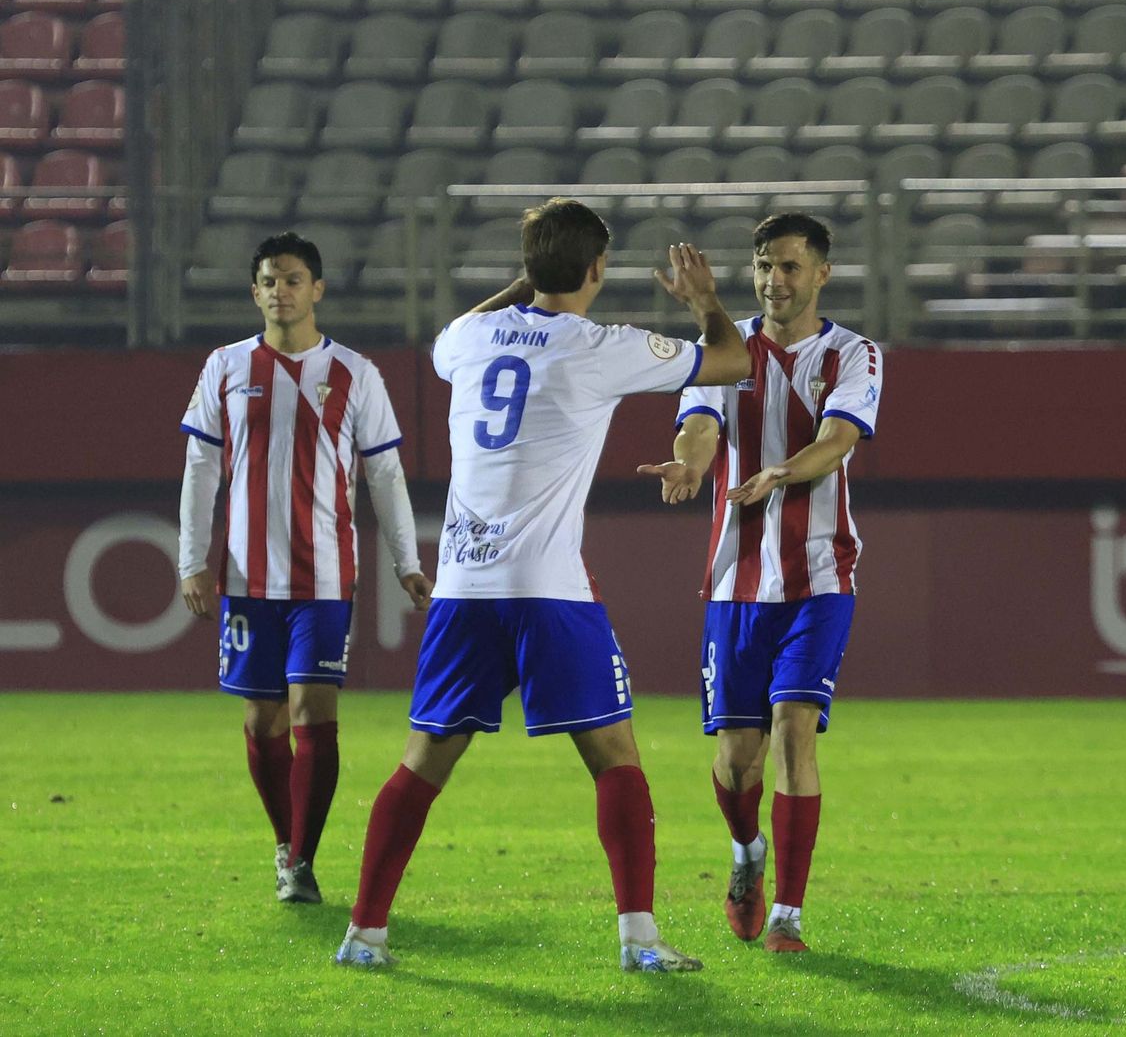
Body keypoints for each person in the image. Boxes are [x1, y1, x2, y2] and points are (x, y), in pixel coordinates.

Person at [333, 198, 751, 973]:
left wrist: (523, 285)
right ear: (598, 270)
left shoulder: (468, 338)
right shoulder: (600, 346)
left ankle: (365, 933)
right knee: (615, 756)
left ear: (527, 268)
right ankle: (639, 941)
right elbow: (733, 362)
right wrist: (705, 304)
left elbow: (448, 334)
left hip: (463, 586)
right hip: (550, 590)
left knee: (423, 761)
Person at [638, 214, 884, 952]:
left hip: (819, 576)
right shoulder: (727, 348)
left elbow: (839, 440)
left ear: (821, 275)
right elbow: (700, 425)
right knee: (736, 758)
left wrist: (783, 468)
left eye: (789, 266)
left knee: (793, 733)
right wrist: (689, 460)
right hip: (735, 584)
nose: (775, 280)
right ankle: (747, 854)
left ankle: (788, 915)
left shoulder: (852, 354)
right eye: (765, 266)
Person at [178, 231, 433, 905]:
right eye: (268, 280)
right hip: (243, 578)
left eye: (292, 279)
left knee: (311, 714)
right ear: (255, 291)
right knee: (262, 726)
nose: (279, 291)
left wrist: (408, 561)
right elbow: (201, 468)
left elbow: (385, 473)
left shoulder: (354, 373)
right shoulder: (226, 367)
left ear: (316, 289)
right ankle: (286, 840)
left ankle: (303, 860)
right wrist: (191, 561)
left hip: (323, 580)